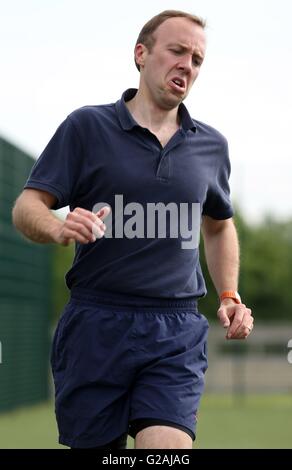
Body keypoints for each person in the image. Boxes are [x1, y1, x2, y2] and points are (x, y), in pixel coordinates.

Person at [12, 10, 254, 449]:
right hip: (95, 323)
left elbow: (218, 226)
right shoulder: (87, 127)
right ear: (141, 54)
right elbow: (27, 207)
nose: (187, 65)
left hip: (175, 327)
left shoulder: (211, 145)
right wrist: (58, 226)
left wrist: (229, 294)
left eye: (197, 59)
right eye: (177, 51)